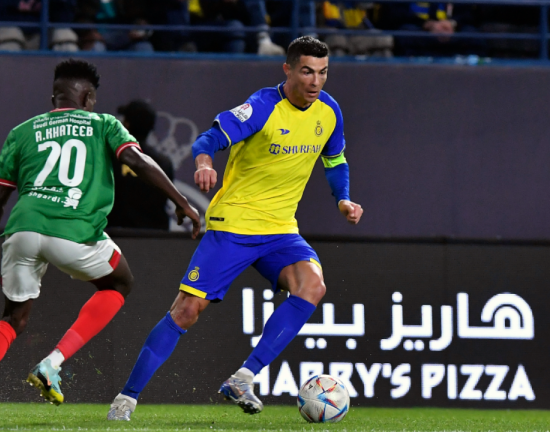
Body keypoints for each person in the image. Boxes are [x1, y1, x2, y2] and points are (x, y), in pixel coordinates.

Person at [107, 36, 363, 421]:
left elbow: (335, 159)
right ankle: (125, 400)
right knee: (187, 310)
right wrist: (205, 163)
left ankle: (243, 377)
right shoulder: (261, 106)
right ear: (288, 69)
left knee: (312, 286)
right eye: (307, 71)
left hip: (280, 229)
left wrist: (342, 197)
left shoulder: (328, 111)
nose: (315, 82)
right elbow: (207, 139)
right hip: (235, 224)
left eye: (323, 73)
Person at [0, 59, 200, 425]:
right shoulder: (104, 123)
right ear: (89, 97)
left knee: (13, 318)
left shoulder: (22, 131)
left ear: (54, 97)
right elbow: (138, 162)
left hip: (22, 232)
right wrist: (183, 202)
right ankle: (53, 362)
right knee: (120, 282)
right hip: (74, 233)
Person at [108, 99, 174, 230]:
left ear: (126, 125)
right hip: (153, 240)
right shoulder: (163, 164)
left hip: (116, 238)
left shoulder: (109, 160)